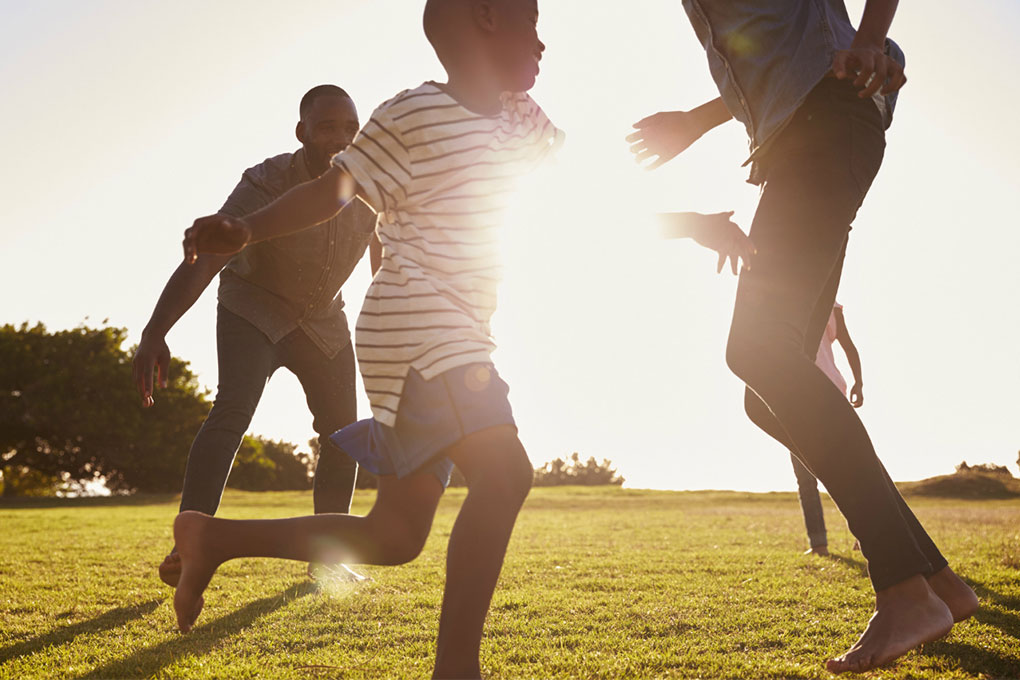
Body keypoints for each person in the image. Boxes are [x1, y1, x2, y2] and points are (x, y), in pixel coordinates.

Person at [627, 0, 978, 673]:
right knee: (766, 390)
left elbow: (814, 47)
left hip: (826, 126)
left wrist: (874, 38)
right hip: (807, 133)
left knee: (756, 349)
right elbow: (775, 53)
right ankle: (937, 580)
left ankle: (904, 590)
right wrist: (695, 123)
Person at [132, 84, 377, 587]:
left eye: (351, 128)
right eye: (328, 126)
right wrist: (155, 331)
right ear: (302, 132)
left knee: (344, 434)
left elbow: (386, 264)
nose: (341, 137)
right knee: (232, 412)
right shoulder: (264, 181)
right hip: (253, 309)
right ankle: (189, 544)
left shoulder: (372, 184)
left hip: (323, 318)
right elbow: (209, 256)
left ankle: (327, 557)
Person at [789, 303, 863, 557]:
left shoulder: (792, 300)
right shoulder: (832, 308)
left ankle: (819, 544)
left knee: (807, 477)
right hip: (832, 388)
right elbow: (849, 347)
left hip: (803, 395)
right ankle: (863, 536)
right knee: (849, 473)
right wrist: (858, 383)